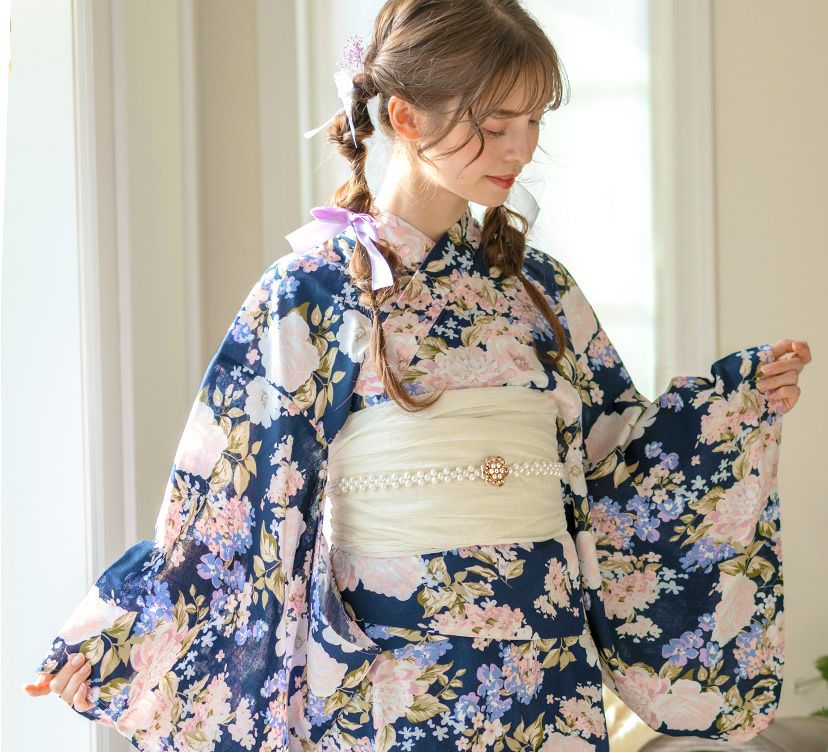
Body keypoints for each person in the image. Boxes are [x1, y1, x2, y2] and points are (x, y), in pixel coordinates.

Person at [24, 0, 810, 750]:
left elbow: (619, 464)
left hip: (546, 677)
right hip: (392, 682)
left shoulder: (541, 289)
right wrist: (128, 639)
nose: (521, 149)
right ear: (405, 116)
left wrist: (733, 408)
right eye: (496, 125)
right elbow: (230, 503)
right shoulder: (309, 292)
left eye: (535, 121)